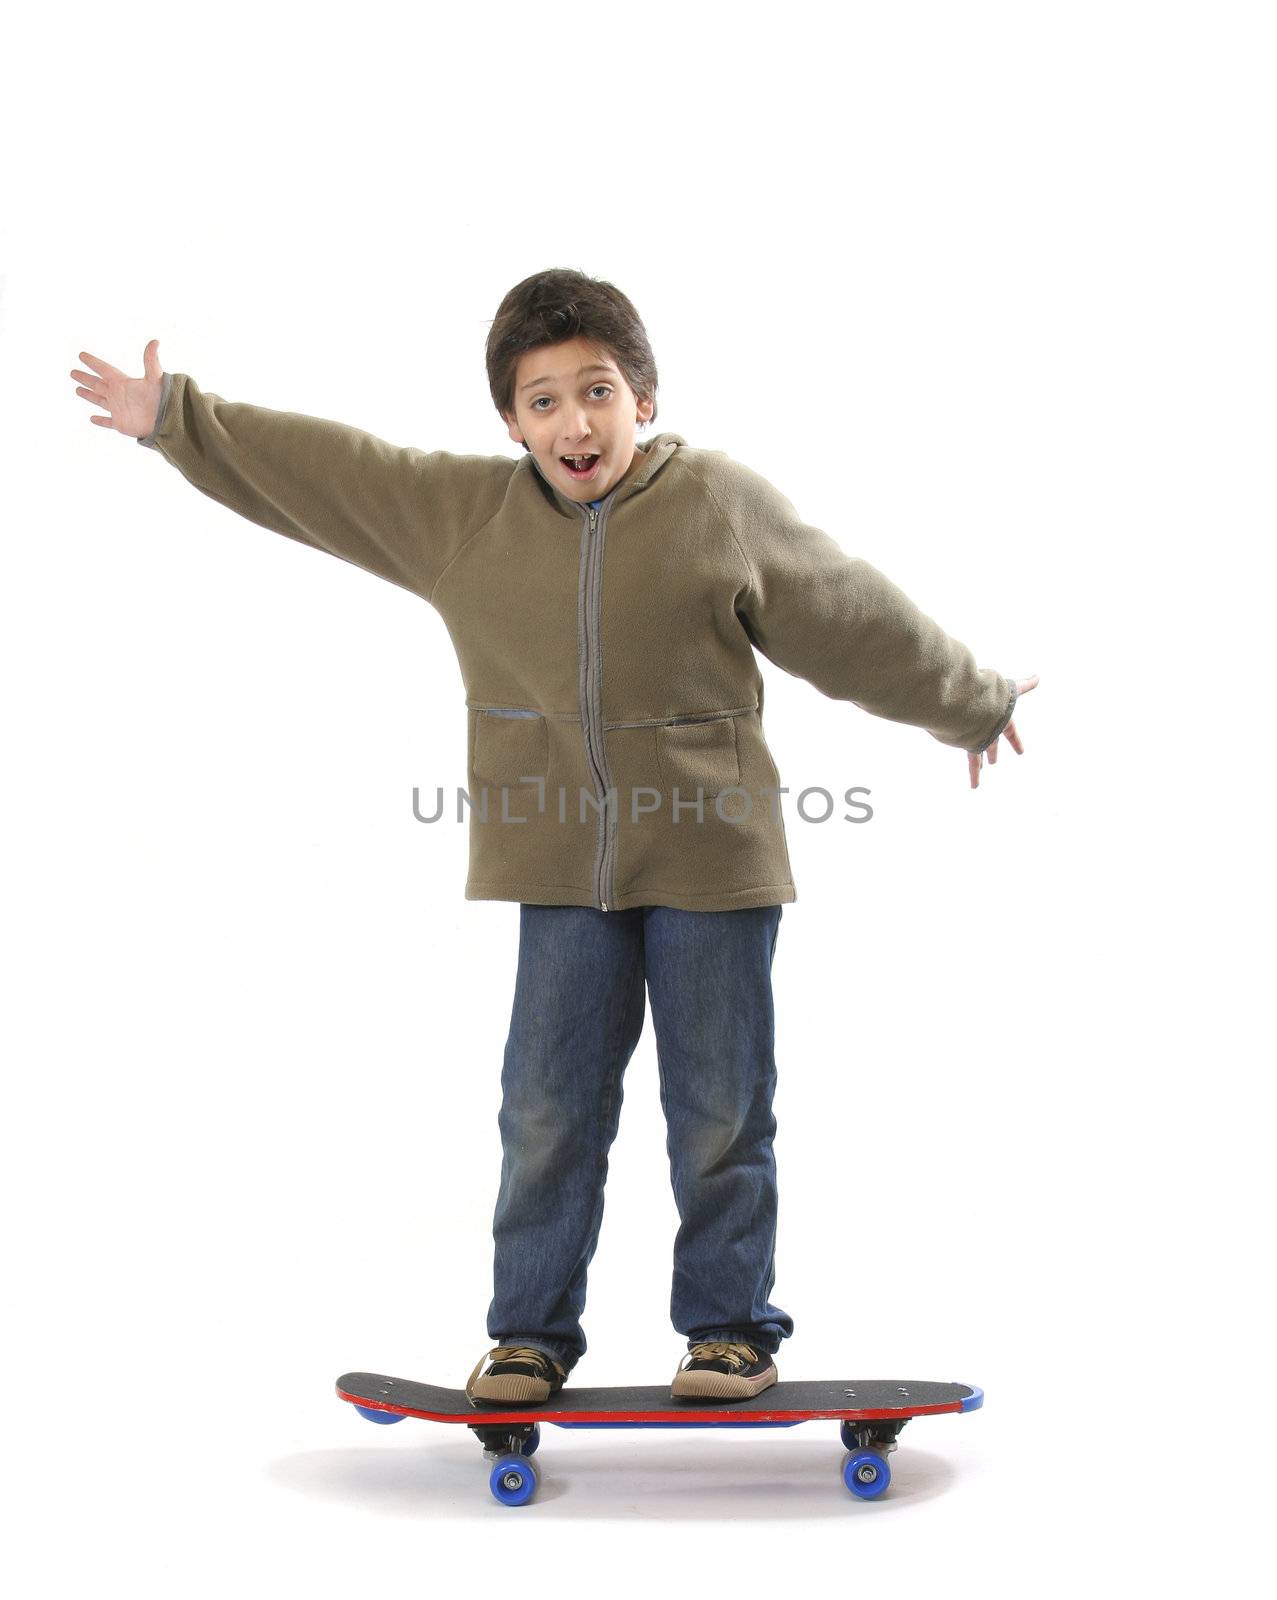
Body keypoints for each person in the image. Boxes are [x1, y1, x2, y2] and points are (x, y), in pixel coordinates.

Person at [71, 268, 1038, 1408]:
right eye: (542, 401)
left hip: (711, 867)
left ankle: (727, 1328)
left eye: (597, 391)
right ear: (510, 419)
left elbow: (848, 613)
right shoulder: (467, 520)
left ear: (642, 398)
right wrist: (177, 419)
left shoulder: (717, 502)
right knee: (545, 1109)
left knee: (721, 1109)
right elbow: (330, 475)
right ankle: (530, 1333)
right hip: (558, 871)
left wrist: (970, 700)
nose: (573, 422)